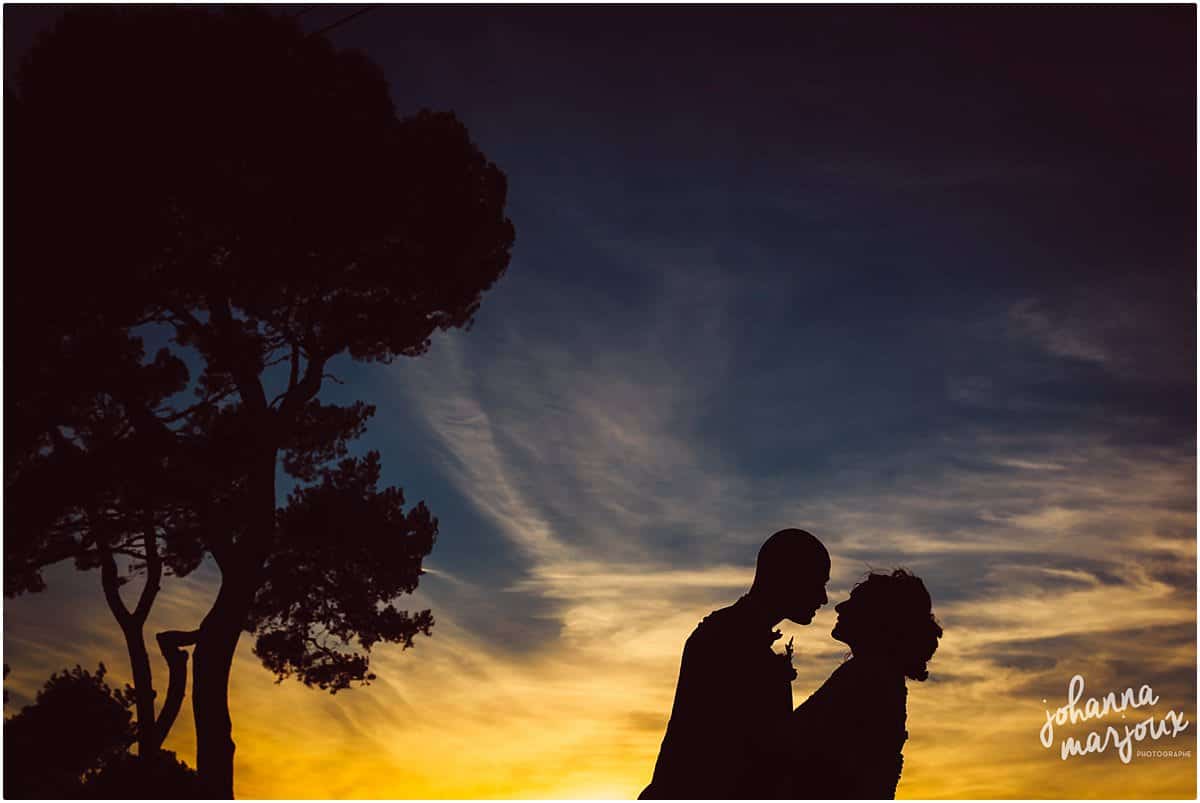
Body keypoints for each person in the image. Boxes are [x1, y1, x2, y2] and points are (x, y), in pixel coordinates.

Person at [640, 529, 830, 800]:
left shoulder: (727, 634)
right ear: (789, 577)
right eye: (818, 582)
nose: (823, 598)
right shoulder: (726, 640)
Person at [788, 568, 943, 800]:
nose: (840, 607)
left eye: (854, 602)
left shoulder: (868, 678)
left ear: (878, 618)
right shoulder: (877, 677)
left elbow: (790, 743)